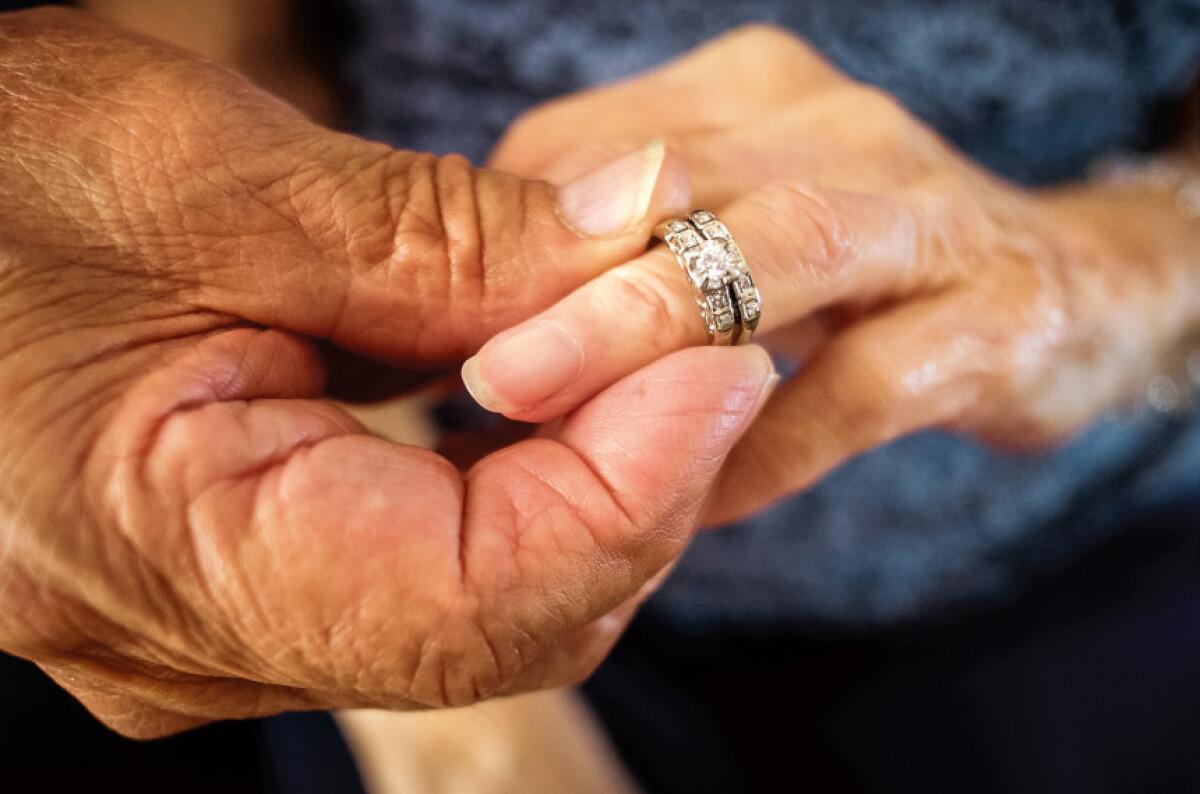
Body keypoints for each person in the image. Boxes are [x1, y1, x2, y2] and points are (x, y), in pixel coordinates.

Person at [0, 2, 1197, 788]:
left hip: (1101, 535)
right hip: (412, 487)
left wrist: (1130, 270)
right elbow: (214, 78)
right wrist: (465, 731)